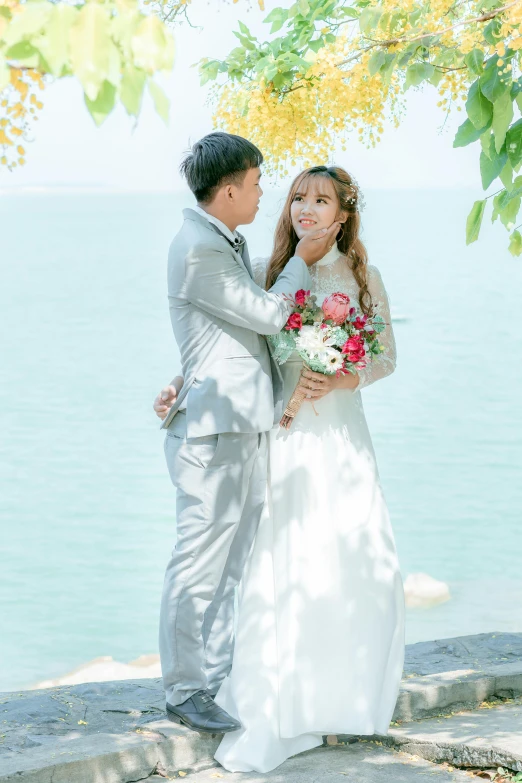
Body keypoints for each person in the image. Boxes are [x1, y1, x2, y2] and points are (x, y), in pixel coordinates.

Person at [155, 164, 405, 772]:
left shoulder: (365, 277)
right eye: (297, 197)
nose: (305, 208)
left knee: (353, 554)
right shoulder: (268, 273)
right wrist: (180, 383)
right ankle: (279, 696)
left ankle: (342, 695)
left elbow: (386, 357)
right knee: (283, 561)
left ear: (343, 214)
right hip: (285, 433)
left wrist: (343, 374)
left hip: (341, 430)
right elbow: (231, 343)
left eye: (321, 200)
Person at [158, 133, 340, 734]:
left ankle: (211, 681)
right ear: (230, 188)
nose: (265, 194)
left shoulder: (222, 240)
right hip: (213, 434)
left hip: (242, 425)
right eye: (258, 183)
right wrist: (301, 260)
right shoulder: (197, 248)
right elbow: (266, 314)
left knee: (233, 564)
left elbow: (228, 334)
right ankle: (185, 690)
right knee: (199, 563)